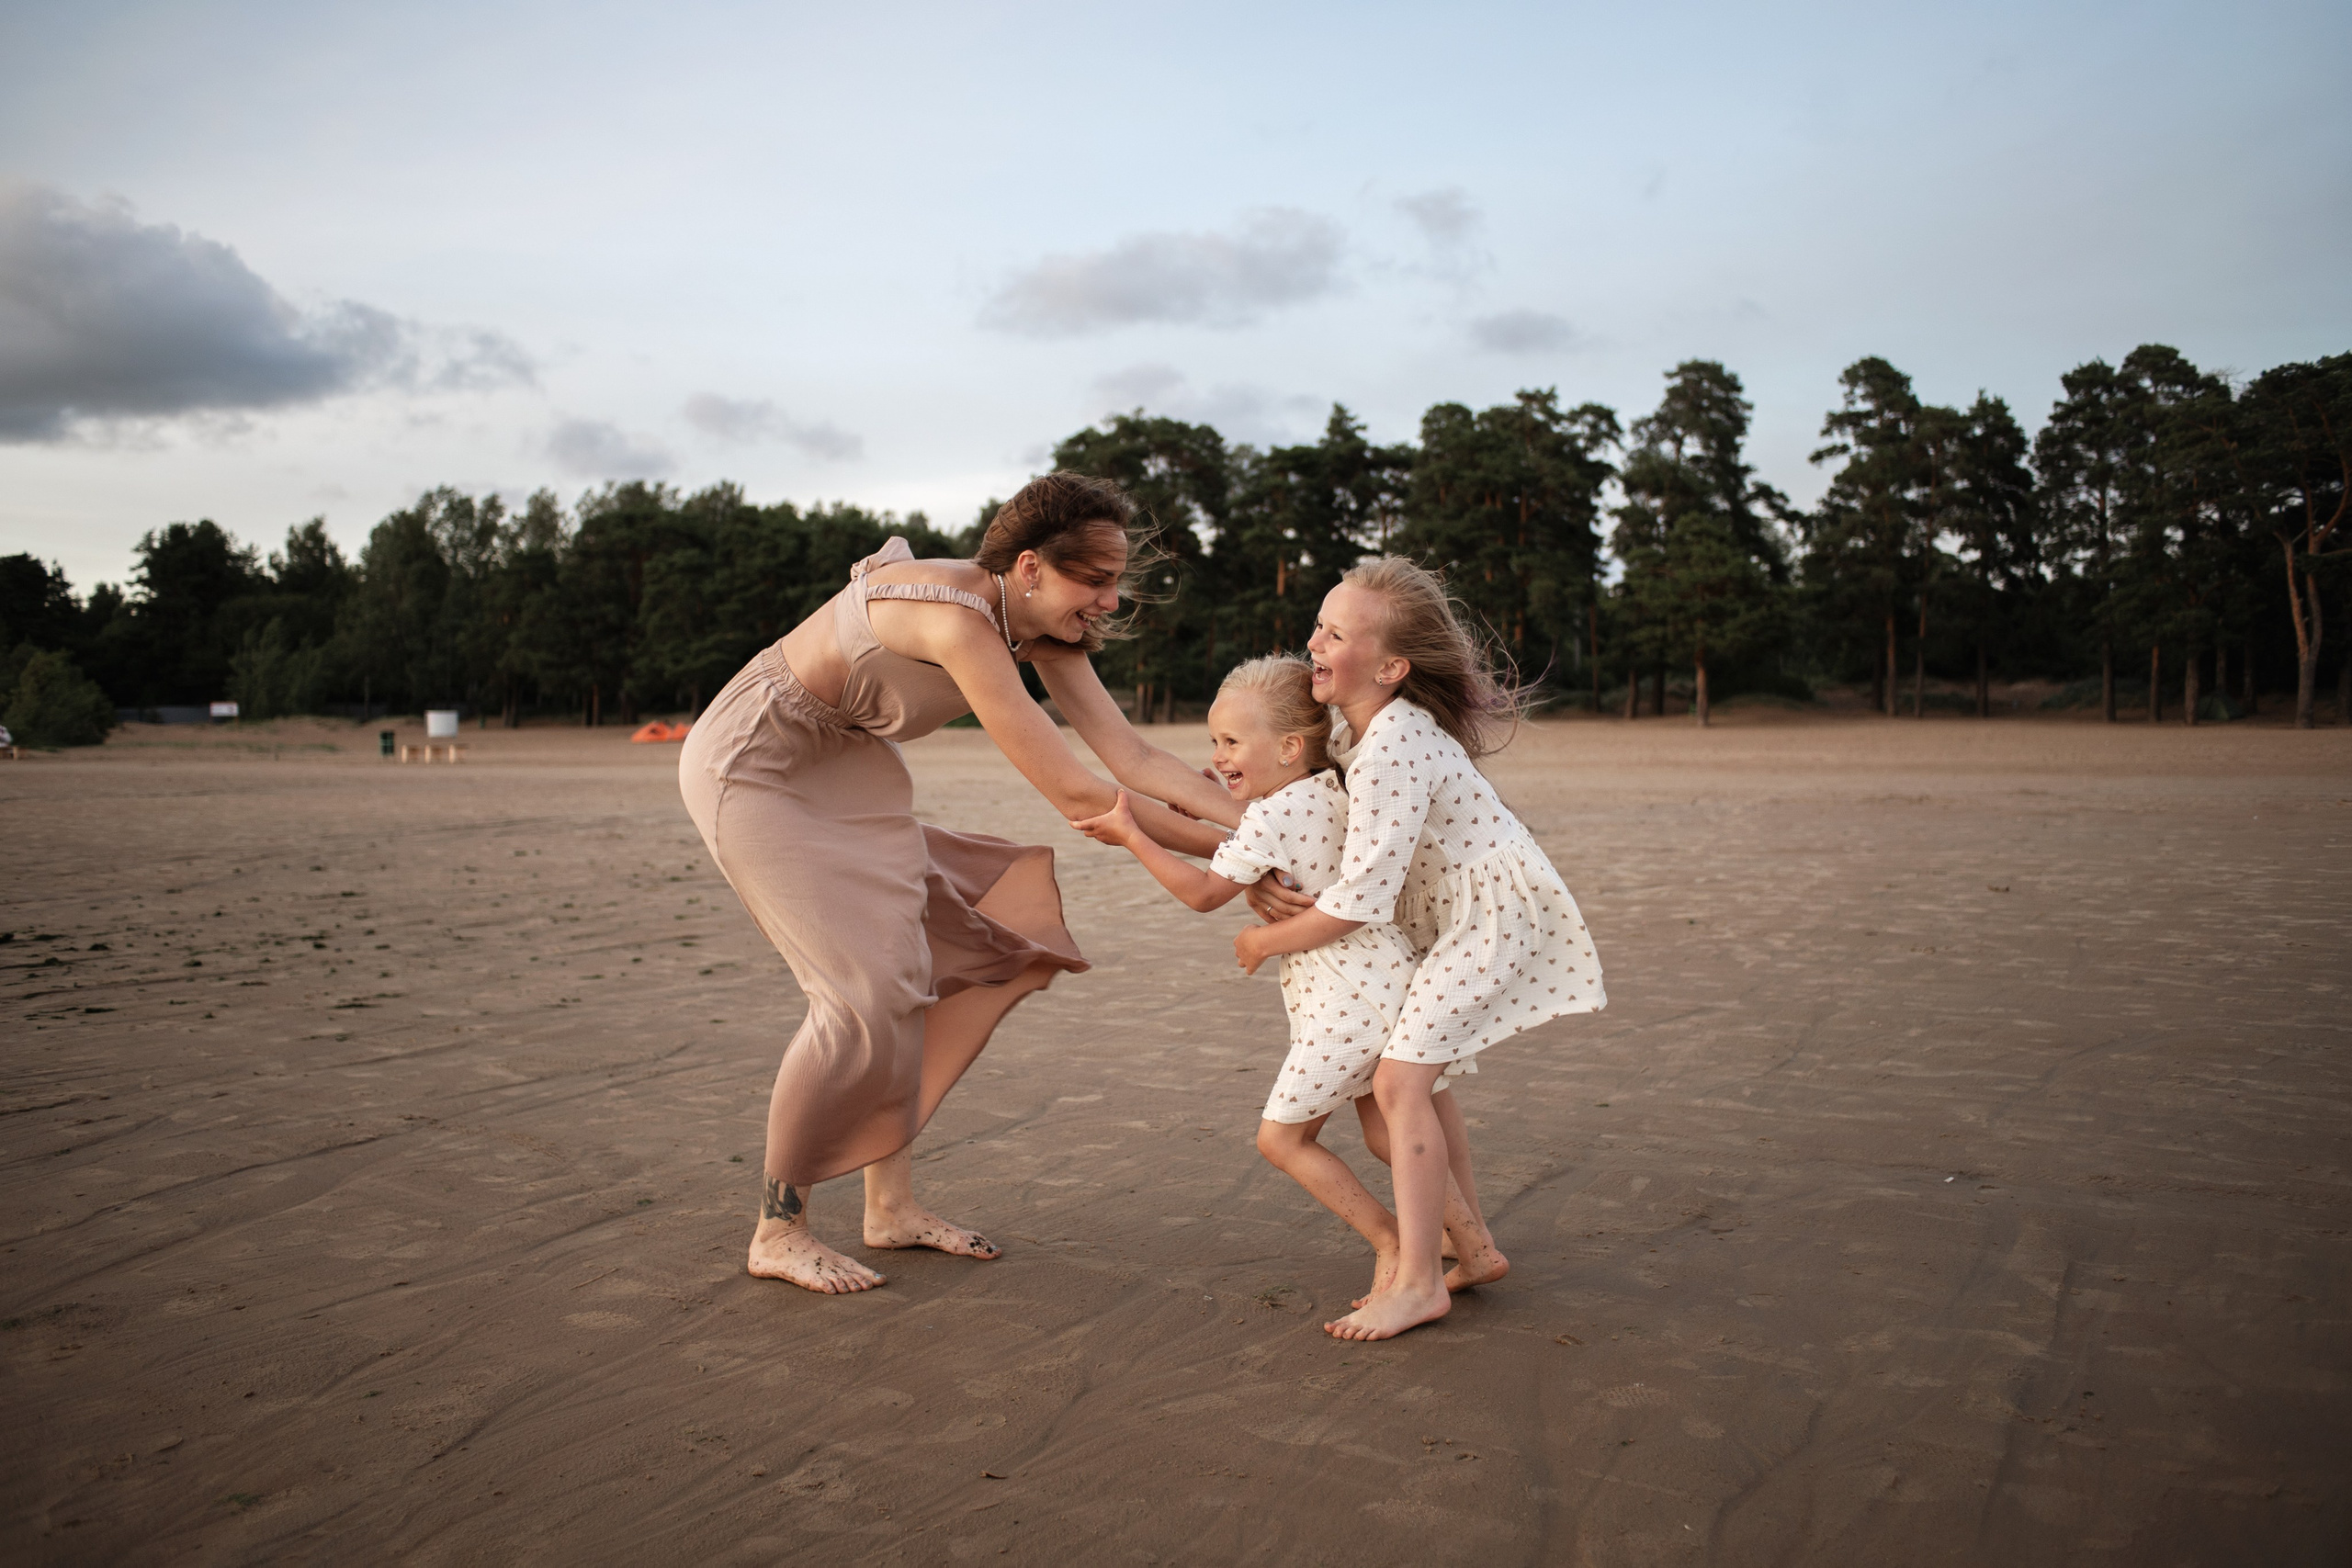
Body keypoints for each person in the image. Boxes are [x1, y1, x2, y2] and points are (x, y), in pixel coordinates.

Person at [679, 473, 1238, 1294]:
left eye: (1116, 581)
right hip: (756, 759)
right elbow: (1080, 794)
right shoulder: (957, 619)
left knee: (929, 963)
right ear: (1030, 566)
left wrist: (1265, 828)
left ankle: (890, 1208)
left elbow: (1134, 757)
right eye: (1096, 580)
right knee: (864, 995)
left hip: (850, 760)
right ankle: (778, 1229)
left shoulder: (1042, 626)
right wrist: (1249, 855)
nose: (1112, 601)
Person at [1234, 558, 1607, 1339]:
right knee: (1420, 1086)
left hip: (1490, 916)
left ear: (1391, 667)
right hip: (1465, 912)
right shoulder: (1356, 729)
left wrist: (1266, 937)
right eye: (1317, 625)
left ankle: (1417, 1282)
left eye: (1336, 635)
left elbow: (1360, 900)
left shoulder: (1394, 741)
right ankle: (1469, 1248)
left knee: (1400, 1081)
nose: (1313, 643)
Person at [1068, 655, 1426, 1286]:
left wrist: (1133, 835)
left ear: (1289, 747)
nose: (1219, 756)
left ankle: (1391, 1241)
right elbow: (1275, 842)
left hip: (1343, 997)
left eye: (1232, 742)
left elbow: (1204, 893)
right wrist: (1233, 798)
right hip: (1388, 974)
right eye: (1215, 742)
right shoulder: (1334, 784)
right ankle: (1468, 1242)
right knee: (1385, 1131)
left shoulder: (1269, 816)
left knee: (1281, 1140)